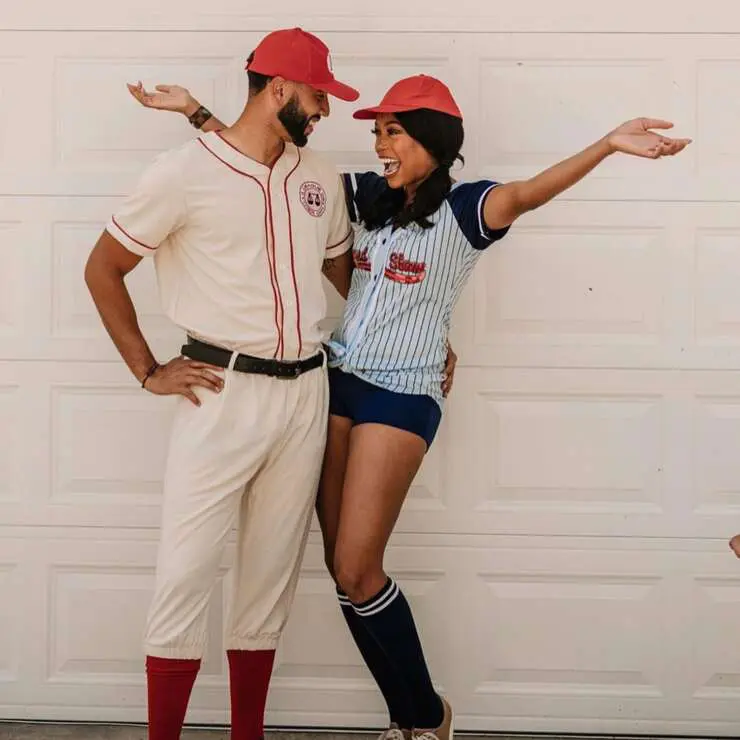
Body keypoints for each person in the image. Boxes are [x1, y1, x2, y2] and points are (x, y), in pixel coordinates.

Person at [130, 73, 690, 740]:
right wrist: (196, 113)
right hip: (336, 384)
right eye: (377, 132)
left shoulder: (468, 209)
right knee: (343, 572)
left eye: (392, 132)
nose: (379, 145)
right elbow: (259, 162)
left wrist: (607, 145)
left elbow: (530, 192)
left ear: (432, 139)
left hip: (403, 393)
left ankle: (427, 714)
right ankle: (408, 718)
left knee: (359, 567)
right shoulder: (368, 196)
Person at [84, 27, 362, 740]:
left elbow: (343, 274)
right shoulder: (181, 173)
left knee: (268, 580)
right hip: (220, 389)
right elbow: (103, 268)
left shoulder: (318, 176)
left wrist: (416, 327)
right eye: (318, 95)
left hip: (305, 393)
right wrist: (148, 370)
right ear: (279, 89)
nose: (325, 109)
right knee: (185, 573)